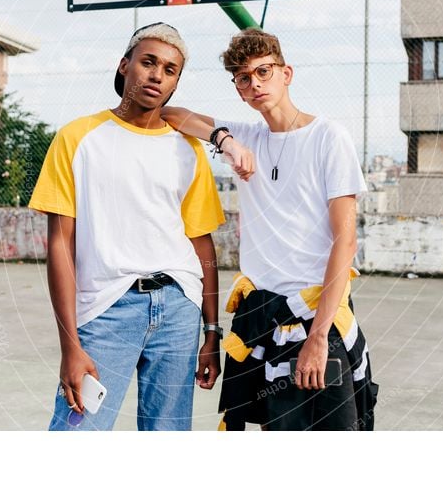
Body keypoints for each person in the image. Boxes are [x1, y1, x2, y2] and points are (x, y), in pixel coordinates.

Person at [162, 27, 378, 431]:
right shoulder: (247, 136)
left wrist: (317, 337)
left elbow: (345, 241)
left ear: (286, 73)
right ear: (238, 89)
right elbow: (171, 115)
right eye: (244, 78)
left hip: (315, 315)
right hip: (259, 317)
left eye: (264, 72)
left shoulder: (328, 137)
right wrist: (224, 140)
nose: (255, 83)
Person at [28, 23, 227, 431]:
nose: (157, 75)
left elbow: (202, 246)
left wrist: (211, 332)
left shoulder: (186, 148)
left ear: (175, 84)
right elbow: (61, 246)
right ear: (125, 66)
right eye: (148, 62)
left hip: (178, 308)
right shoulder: (78, 137)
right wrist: (70, 345)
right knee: (75, 434)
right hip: (105, 310)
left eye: (170, 70)